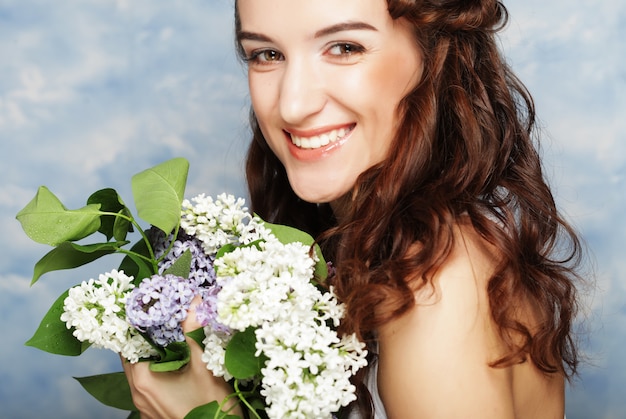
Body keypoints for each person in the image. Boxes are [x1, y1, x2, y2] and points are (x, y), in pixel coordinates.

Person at [123, 0, 585, 418]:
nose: (292, 104)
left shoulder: (434, 287)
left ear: (436, 57)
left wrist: (206, 416)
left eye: (344, 47)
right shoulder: (375, 252)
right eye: (267, 54)